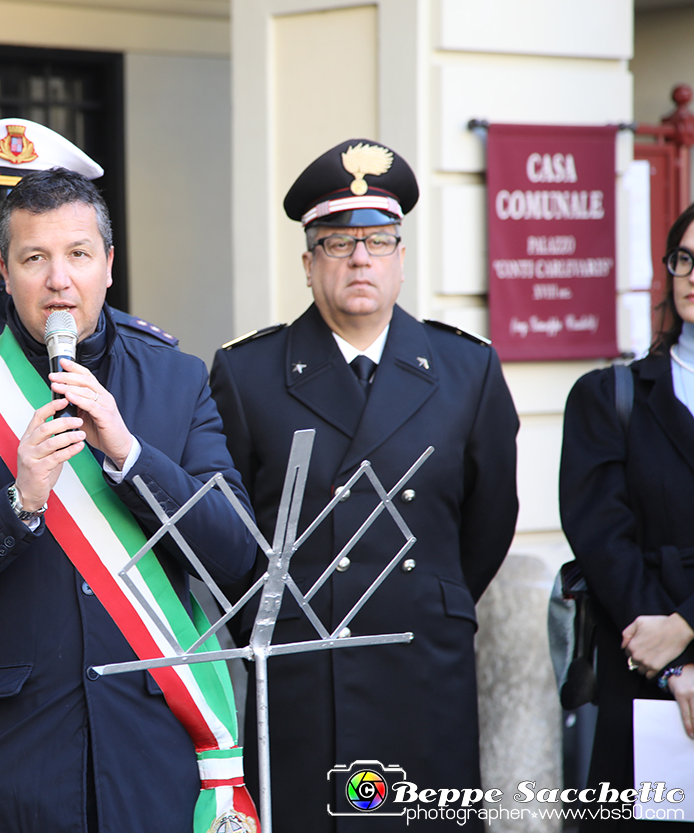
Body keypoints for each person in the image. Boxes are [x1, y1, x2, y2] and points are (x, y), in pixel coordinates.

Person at [0, 167, 256, 833]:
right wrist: (18, 502)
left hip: (150, 751)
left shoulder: (176, 378)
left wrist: (131, 457)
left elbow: (236, 555)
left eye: (78, 255)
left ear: (108, 265)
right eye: (34, 258)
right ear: (3, 267)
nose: (59, 280)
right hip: (5, 766)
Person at [209, 139, 519, 830]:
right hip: (304, 674)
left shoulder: (468, 370)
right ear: (309, 261)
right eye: (338, 242)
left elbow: (489, 520)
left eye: (377, 241)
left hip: (422, 664)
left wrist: (428, 598)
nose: (359, 259)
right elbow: (226, 536)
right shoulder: (249, 374)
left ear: (401, 258)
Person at [559, 201, 694, 830]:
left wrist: (686, 629)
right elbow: (600, 536)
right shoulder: (608, 396)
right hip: (640, 668)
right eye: (684, 259)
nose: (691, 274)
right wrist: (669, 659)